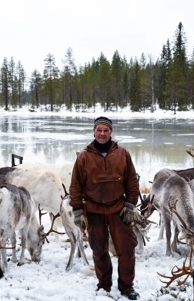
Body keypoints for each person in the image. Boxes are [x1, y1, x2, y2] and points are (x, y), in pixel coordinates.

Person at [69, 116, 141, 300]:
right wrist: (77, 210)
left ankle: (126, 287)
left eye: (106, 130)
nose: (102, 133)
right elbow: (76, 186)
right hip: (94, 210)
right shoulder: (84, 156)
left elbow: (131, 181)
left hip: (118, 209)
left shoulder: (123, 154)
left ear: (111, 132)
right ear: (94, 131)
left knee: (126, 249)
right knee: (99, 250)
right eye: (99, 130)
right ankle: (104, 285)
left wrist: (130, 204)